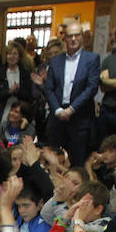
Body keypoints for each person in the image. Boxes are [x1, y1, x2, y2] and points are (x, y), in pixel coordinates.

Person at [40, 21, 100, 167]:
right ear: (64, 39)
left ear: (82, 37)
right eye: (70, 36)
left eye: (77, 35)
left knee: (77, 162)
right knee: (55, 160)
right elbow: (49, 88)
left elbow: (91, 88)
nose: (73, 39)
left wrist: (71, 109)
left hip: (80, 117)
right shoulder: (55, 60)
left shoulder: (92, 58)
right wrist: (58, 110)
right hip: (58, 117)